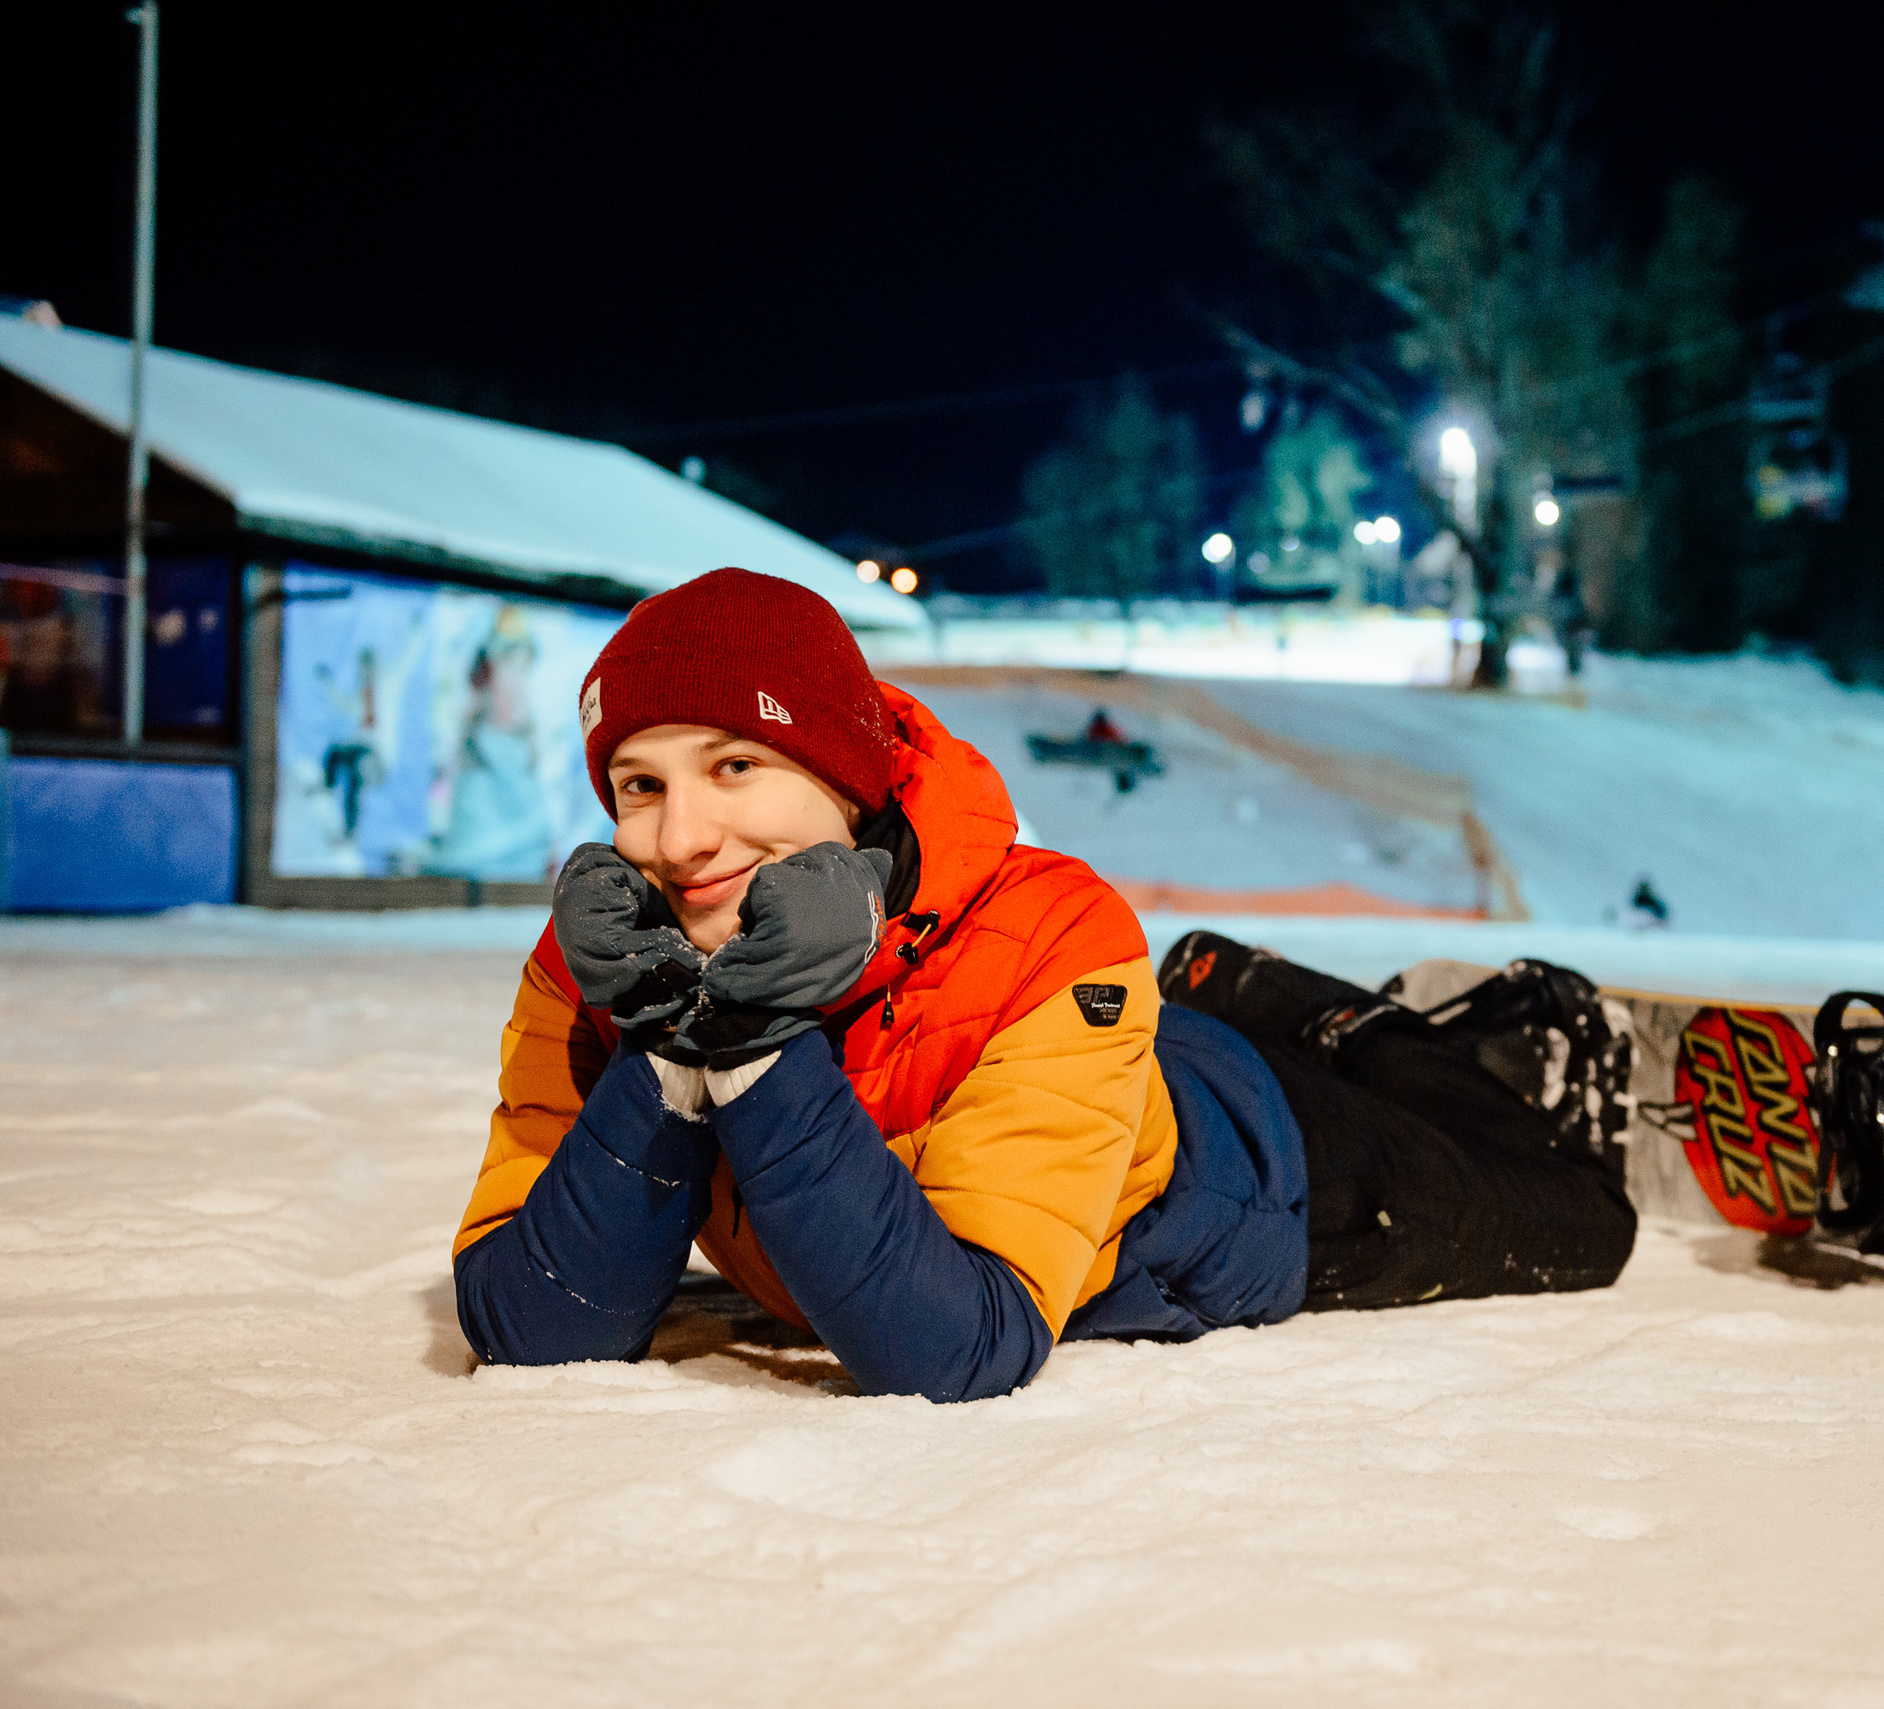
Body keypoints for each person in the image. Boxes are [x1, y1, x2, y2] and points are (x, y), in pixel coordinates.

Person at [451, 567, 1636, 1402]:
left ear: (848, 780)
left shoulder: (1050, 929)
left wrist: (755, 1044)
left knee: (1574, 1217)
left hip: (1259, 1169)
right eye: (640, 784)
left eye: (736, 764)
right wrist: (672, 1047)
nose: (681, 838)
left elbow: (960, 1345)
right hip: (1108, 1068)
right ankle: (1262, 994)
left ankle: (1374, 1033)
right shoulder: (600, 968)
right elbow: (532, 1322)